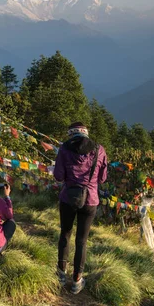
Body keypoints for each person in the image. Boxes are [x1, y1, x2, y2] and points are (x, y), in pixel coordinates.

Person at [54, 122, 108, 294]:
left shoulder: (64, 149)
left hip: (68, 198)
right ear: (86, 133)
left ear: (71, 134)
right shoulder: (99, 150)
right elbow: (102, 178)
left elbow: (58, 176)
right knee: (81, 241)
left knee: (65, 234)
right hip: (90, 200)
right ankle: (77, 280)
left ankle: (61, 274)